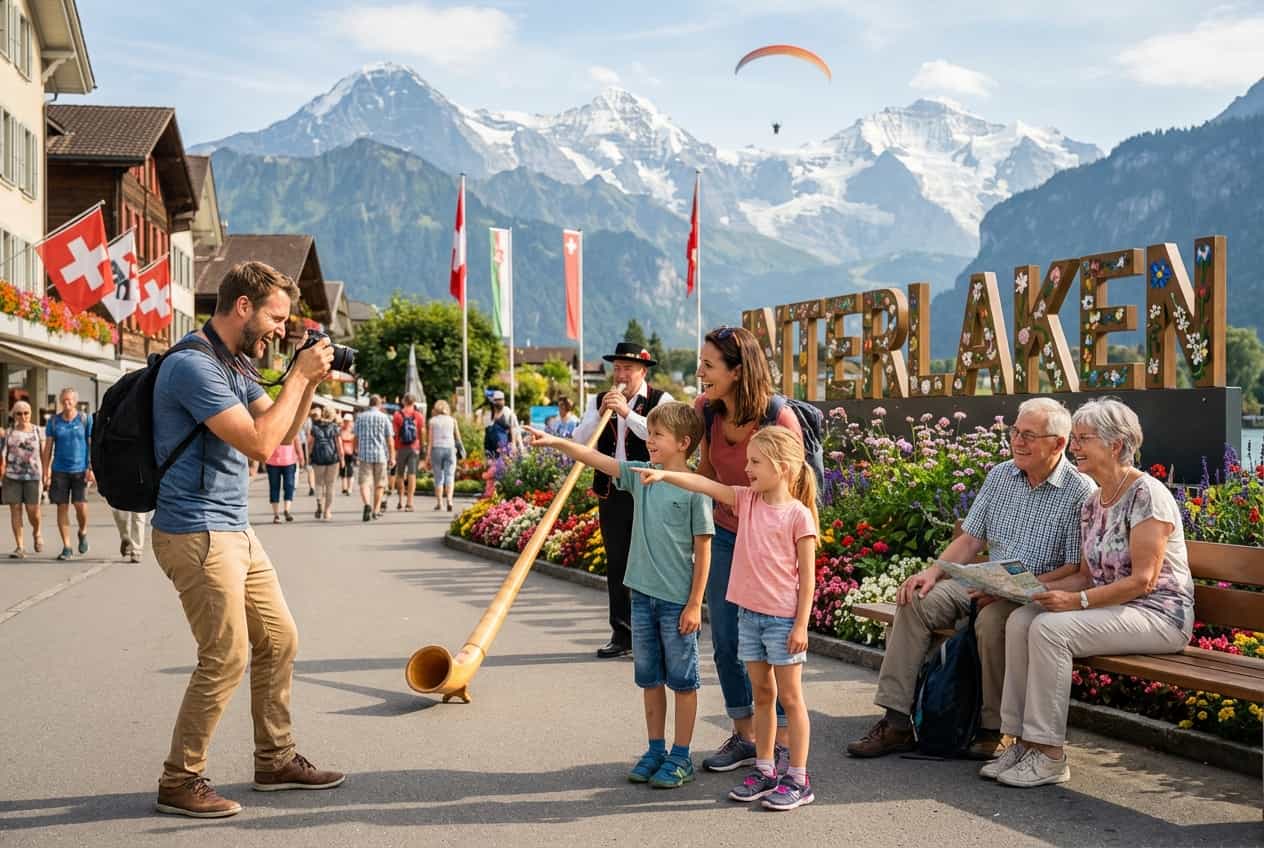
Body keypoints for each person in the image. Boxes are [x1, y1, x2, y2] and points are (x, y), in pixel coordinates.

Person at [150, 260, 342, 818]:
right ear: (243, 308)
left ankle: (274, 759)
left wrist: (309, 381)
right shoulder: (193, 366)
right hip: (196, 531)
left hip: (234, 528)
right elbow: (260, 444)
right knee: (226, 656)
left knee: (280, 639)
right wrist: (300, 375)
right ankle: (180, 779)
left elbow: (283, 435)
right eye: (276, 317)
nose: (281, 329)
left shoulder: (234, 363)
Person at [846, 397, 1094, 760]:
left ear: (1058, 443)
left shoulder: (1079, 491)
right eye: (1015, 432)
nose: (1018, 442)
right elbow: (971, 538)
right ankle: (897, 721)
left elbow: (1074, 570)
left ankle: (994, 729)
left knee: (993, 621)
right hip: (981, 582)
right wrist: (931, 573)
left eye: (1029, 435)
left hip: (1034, 593)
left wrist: (1012, 589)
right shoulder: (1001, 475)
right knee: (916, 600)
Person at [985, 398, 1193, 788]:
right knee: (1020, 619)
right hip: (1115, 610)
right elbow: (1084, 575)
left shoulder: (1148, 494)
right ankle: (1020, 741)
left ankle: (1049, 754)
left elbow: (1143, 582)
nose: (1074, 447)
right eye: (1075, 438)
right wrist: (1024, 590)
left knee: (1050, 630)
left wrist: (1075, 603)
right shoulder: (1093, 502)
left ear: (1114, 445)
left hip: (1159, 615)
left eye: (1083, 439)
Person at [527, 401, 714, 789]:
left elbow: (704, 551)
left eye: (656, 435)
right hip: (641, 599)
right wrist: (557, 442)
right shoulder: (641, 475)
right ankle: (655, 749)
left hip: (678, 602)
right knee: (649, 679)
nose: (649, 442)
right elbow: (596, 458)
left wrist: (696, 603)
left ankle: (682, 756)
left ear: (683, 442)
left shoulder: (696, 490)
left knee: (683, 680)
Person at [639, 426, 819, 810]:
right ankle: (766, 768)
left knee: (790, 698)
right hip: (750, 618)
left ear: (783, 467)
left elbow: (808, 579)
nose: (747, 469)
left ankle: (799, 779)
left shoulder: (798, 516)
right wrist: (665, 473)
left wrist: (801, 625)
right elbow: (703, 485)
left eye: (755, 462)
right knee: (763, 697)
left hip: (783, 621)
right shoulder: (745, 500)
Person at [693, 326, 801, 771]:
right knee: (724, 639)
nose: (700, 373)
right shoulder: (706, 412)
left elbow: (801, 492)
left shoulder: (779, 418)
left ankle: (782, 744)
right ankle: (744, 734)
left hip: (772, 547)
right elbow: (704, 471)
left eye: (708, 365)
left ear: (737, 371)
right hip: (725, 535)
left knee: (772, 645)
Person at [574, 342, 674, 658]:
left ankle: (653, 635)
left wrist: (628, 413)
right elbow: (580, 439)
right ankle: (621, 634)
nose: (620, 375)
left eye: (627, 369)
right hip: (612, 490)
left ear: (642, 371)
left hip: (649, 489)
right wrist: (602, 413)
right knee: (617, 562)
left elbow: (660, 435)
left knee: (652, 559)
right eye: (617, 368)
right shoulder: (597, 400)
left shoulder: (662, 400)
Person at [42, 388, 93, 561]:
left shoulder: (85, 419)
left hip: (80, 470)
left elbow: (91, 444)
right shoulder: (54, 422)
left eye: (69, 400)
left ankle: (83, 531)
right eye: (63, 400)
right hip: (59, 471)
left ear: (75, 401)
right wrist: (45, 471)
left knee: (80, 505)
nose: (66, 403)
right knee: (62, 507)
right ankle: (67, 546)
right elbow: (48, 447)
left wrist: (91, 468)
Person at [2, 400, 43, 558]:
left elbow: (44, 453)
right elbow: (3, 455)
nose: (23, 416)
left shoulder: (38, 431)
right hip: (12, 476)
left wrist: (47, 473)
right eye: (19, 413)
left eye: (26, 413)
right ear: (14, 415)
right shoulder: (9, 432)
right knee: (16, 509)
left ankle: (37, 531)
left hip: (33, 476)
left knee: (33, 511)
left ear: (31, 414)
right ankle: (20, 546)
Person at [354, 395, 394, 522]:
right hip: (381, 455)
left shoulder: (360, 418)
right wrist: (392, 456)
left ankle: (367, 505)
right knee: (380, 485)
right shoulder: (384, 418)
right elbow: (390, 440)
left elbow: (356, 437)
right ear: (379, 404)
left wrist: (356, 449)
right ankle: (376, 510)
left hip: (365, 455)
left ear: (369, 404)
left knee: (364, 482)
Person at [427, 400, 462, 512]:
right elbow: (458, 437)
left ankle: (439, 503)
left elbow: (430, 441)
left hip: (436, 449)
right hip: (450, 449)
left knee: (438, 477)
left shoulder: (432, 421)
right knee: (450, 476)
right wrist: (461, 450)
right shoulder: (452, 420)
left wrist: (427, 456)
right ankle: (450, 500)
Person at [393, 394, 426, 512]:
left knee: (400, 474)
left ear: (403, 401)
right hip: (414, 448)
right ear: (414, 402)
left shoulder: (397, 415)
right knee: (412, 474)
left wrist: (395, 450)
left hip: (401, 448)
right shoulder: (418, 415)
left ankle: (400, 500)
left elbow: (395, 434)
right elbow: (422, 433)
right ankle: (410, 502)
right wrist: (422, 448)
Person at [308, 406, 342, 521]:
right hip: (332, 459)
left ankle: (319, 502)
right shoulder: (335, 427)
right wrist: (342, 459)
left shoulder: (315, 426)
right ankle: (327, 511)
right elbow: (339, 445)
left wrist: (309, 456)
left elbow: (310, 443)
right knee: (330, 485)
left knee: (318, 483)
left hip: (318, 459)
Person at [265, 436, 301, 523]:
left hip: (289, 460)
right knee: (275, 487)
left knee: (289, 486)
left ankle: (286, 510)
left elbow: (296, 440)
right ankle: (276, 514)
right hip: (272, 461)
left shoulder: (291, 425)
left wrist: (300, 455)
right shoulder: (272, 426)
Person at [482, 390, 523, 457]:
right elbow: (487, 434)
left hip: (505, 450)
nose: (500, 402)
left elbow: (514, 429)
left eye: (501, 399)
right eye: (498, 400)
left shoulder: (508, 413)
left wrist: (514, 444)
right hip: (492, 450)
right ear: (493, 401)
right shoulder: (489, 415)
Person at [301, 408, 319, 497]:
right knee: (314, 469)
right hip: (318, 450)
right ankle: (314, 487)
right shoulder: (320, 424)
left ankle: (312, 486)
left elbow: (309, 436)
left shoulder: (307, 420)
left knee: (310, 469)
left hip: (311, 447)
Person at [338, 413, 356, 496]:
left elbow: (355, 440)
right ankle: (344, 488)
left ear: (351, 421)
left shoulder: (353, 430)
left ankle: (350, 488)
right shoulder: (340, 430)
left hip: (351, 452)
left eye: (348, 421)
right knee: (342, 470)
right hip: (342, 452)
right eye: (345, 421)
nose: (346, 422)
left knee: (350, 471)